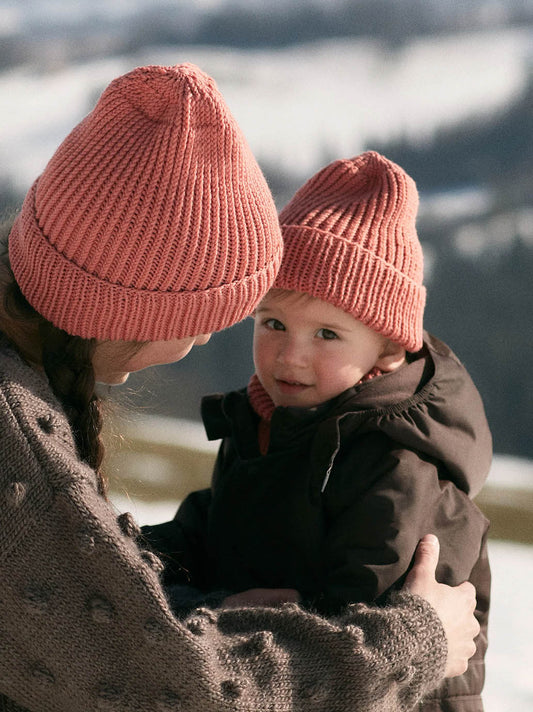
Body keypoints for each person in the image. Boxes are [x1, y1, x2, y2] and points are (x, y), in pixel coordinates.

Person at [0, 63, 480, 712]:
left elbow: (83, 619)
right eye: (214, 316)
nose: (205, 342)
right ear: (136, 309)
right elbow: (169, 689)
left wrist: (204, 606)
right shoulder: (18, 446)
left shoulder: (393, 468)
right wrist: (412, 639)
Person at [142, 152, 491, 712]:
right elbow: (218, 529)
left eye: (327, 334)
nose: (289, 355)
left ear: (387, 347)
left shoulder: (397, 464)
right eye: (273, 322)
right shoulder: (264, 424)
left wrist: (241, 611)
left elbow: (372, 634)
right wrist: (129, 554)